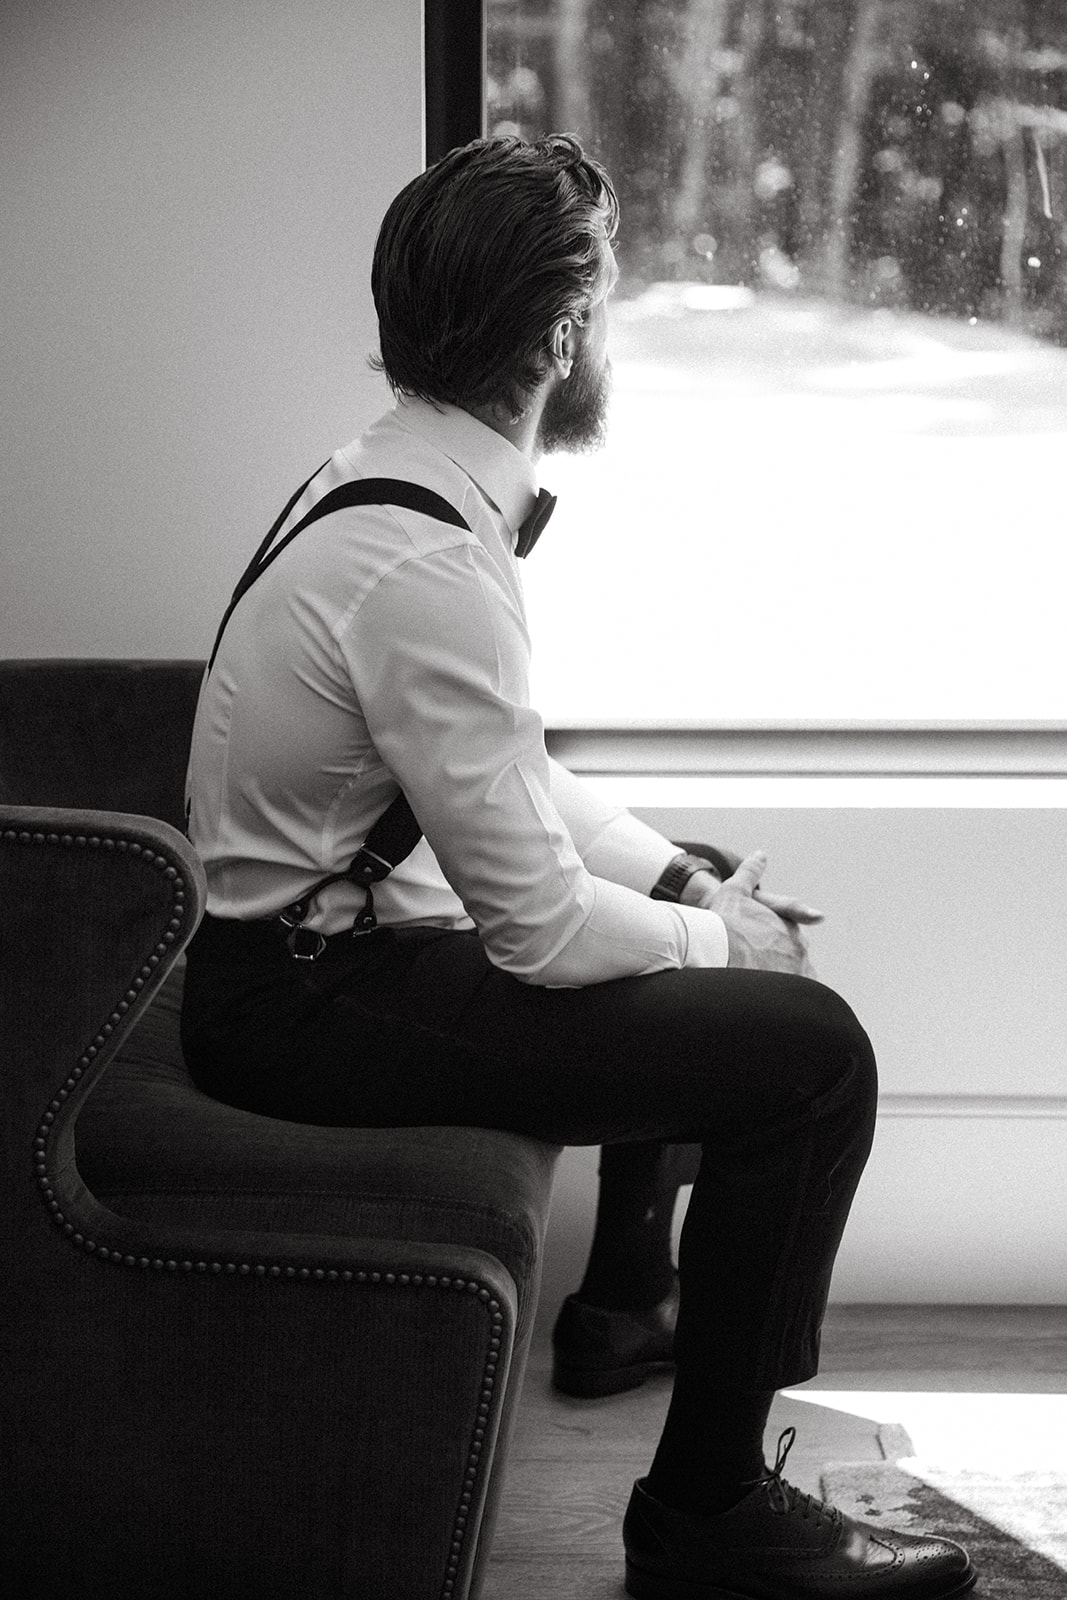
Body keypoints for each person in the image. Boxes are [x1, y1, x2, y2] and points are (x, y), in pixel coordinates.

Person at [181, 134, 976, 1599]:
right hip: (295, 999)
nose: (605, 333)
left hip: (310, 948)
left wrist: (687, 885)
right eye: (602, 303)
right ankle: (709, 1510)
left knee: (702, 878)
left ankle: (630, 1301)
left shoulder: (389, 478)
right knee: (809, 1057)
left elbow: (501, 778)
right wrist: (733, 945)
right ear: (561, 334)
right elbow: (539, 931)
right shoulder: (424, 561)